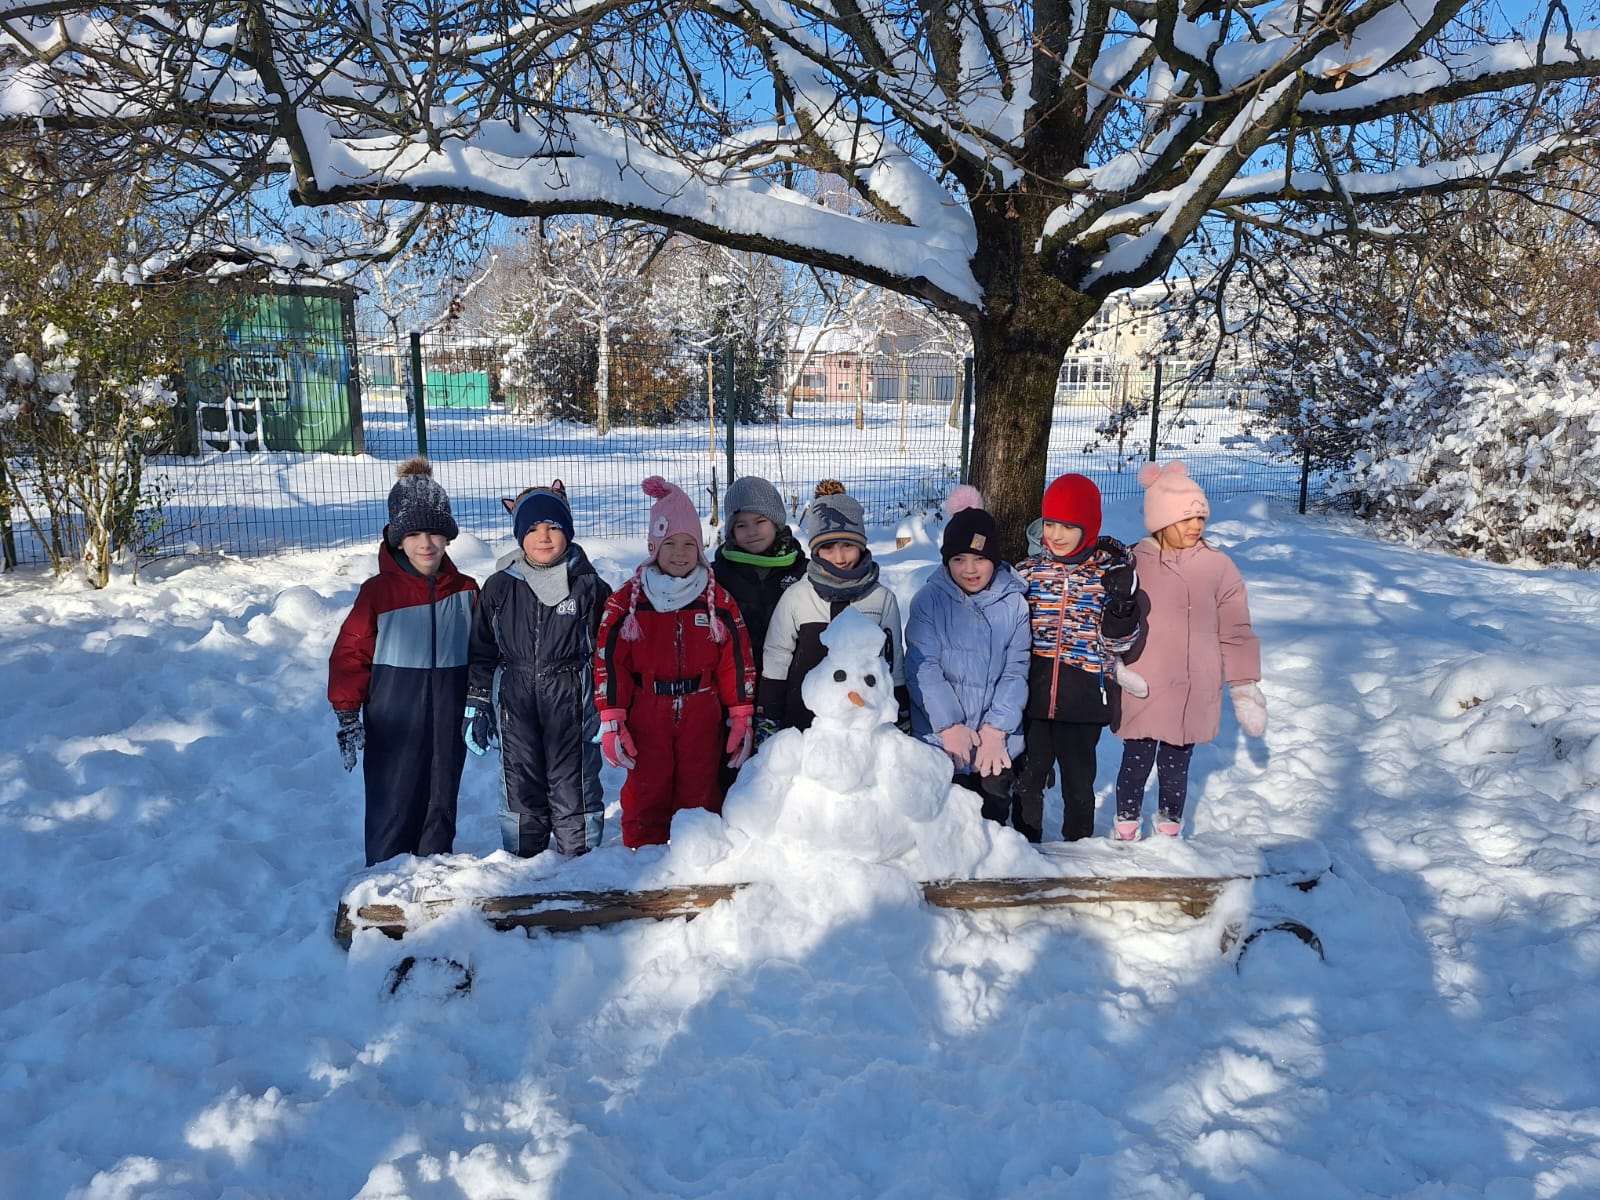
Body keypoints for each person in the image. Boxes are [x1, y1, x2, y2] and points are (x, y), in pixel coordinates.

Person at [328, 458, 479, 867]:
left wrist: (484, 700)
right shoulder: (377, 593)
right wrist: (347, 711)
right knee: (392, 801)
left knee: (440, 798)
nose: (425, 543)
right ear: (397, 539)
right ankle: (383, 882)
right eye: (413, 533)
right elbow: (350, 653)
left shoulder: (466, 591)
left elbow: (484, 651)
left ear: (448, 537)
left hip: (448, 717)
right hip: (394, 719)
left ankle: (434, 875)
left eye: (434, 532)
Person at [594, 477, 758, 848]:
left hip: (702, 708)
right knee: (647, 784)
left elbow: (735, 658)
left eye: (690, 544)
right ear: (655, 546)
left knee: (699, 783)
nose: (681, 553)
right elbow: (610, 660)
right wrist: (613, 717)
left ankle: (695, 853)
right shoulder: (629, 601)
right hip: (647, 710)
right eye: (671, 544)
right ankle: (642, 854)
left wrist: (741, 713)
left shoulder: (715, 598)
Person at [1111, 461, 1265, 839]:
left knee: (1177, 762)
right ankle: (1126, 823)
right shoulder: (1135, 562)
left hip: (1195, 684)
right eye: (1186, 519)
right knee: (1137, 758)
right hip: (1145, 679)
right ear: (1161, 521)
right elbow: (1110, 619)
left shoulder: (1217, 566)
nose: (1196, 526)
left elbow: (1236, 628)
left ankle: (1169, 824)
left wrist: (1243, 686)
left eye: (1201, 518)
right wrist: (1114, 664)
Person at [464, 481, 612, 857]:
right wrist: (478, 702)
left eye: (552, 527)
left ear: (568, 531)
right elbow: (482, 651)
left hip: (572, 702)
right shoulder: (499, 587)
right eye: (532, 529)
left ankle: (581, 867)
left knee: (573, 785)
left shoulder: (589, 586)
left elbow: (607, 651)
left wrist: (606, 704)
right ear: (519, 536)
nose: (543, 538)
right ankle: (522, 865)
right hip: (515, 702)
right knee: (519, 781)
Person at [1012, 473, 1141, 842]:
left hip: (1083, 697)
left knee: (1078, 783)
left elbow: (1119, 645)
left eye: (1068, 526)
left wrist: (1122, 606)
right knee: (1030, 777)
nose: (1055, 535)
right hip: (1034, 694)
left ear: (1089, 527)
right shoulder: (1029, 572)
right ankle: (1024, 845)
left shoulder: (1108, 575)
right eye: (1050, 523)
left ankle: (1079, 846)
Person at [905, 486, 1031, 827]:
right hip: (941, 738)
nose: (969, 569)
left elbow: (1016, 670)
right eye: (958, 559)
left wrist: (996, 730)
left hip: (996, 740)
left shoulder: (1014, 604)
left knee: (992, 818)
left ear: (994, 559)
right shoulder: (929, 601)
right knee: (946, 824)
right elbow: (923, 666)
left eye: (979, 559)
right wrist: (948, 726)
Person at [757, 479, 908, 738]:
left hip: (865, 726)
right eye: (828, 547)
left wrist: (901, 713)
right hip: (803, 723)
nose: (839, 557)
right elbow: (776, 656)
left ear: (861, 545)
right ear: (815, 550)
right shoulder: (797, 597)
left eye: (848, 545)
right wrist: (769, 715)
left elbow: (894, 663)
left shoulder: (881, 599)